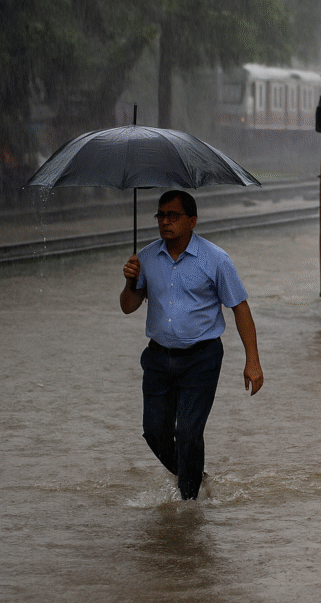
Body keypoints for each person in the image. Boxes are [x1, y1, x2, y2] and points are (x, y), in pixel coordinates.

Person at [120, 190, 264, 500]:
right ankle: (194, 474)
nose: (165, 222)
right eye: (160, 215)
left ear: (192, 221)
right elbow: (128, 306)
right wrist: (130, 281)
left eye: (173, 216)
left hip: (201, 359)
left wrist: (252, 361)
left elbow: (240, 308)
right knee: (154, 432)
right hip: (158, 359)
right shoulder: (145, 258)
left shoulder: (216, 260)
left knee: (187, 432)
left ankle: (189, 506)